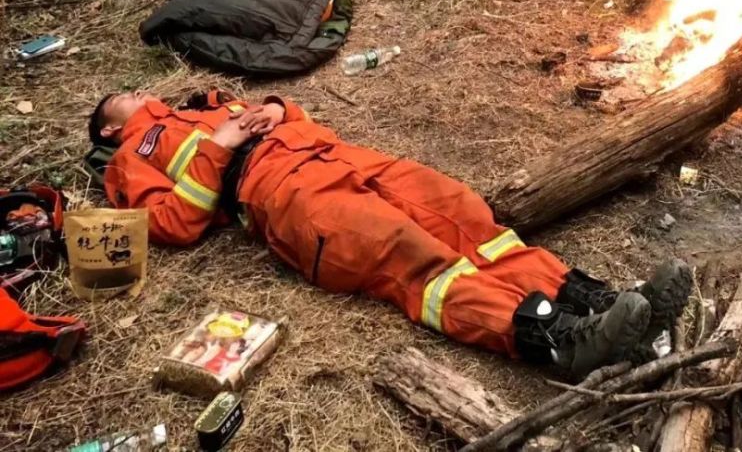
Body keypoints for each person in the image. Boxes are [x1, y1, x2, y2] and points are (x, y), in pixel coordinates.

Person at [88, 89, 692, 378]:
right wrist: (217, 150)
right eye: (126, 99)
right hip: (287, 197)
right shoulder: (128, 160)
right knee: (415, 257)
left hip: (343, 158)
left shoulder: (200, 102)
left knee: (467, 216)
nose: (142, 94)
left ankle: (605, 305)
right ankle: (559, 340)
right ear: (112, 129)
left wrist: (276, 109)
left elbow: (293, 115)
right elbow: (173, 223)